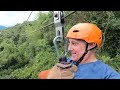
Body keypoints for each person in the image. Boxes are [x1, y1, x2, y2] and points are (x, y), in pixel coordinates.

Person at [38, 23, 120, 79]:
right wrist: (49, 74)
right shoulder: (68, 62)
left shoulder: (106, 74)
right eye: (69, 43)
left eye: (74, 43)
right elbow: (42, 75)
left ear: (91, 45)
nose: (69, 48)